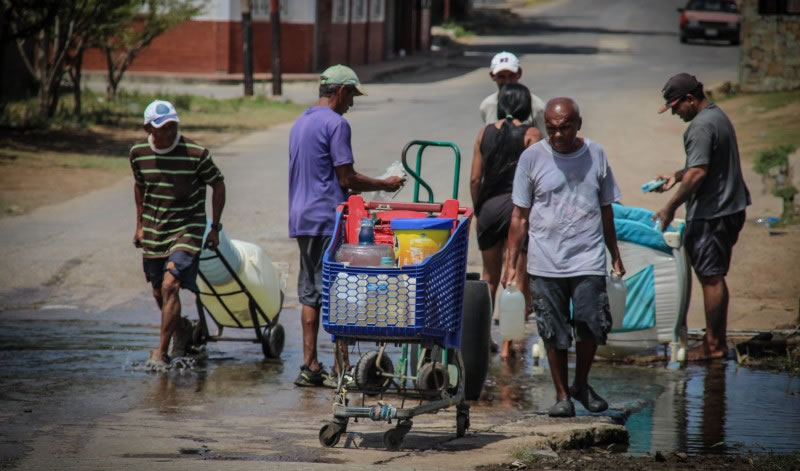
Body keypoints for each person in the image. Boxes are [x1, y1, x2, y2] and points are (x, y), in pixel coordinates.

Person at [502, 97, 625, 417]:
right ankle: (562, 395)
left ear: (578, 124)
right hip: (544, 261)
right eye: (552, 129)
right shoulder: (531, 158)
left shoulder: (596, 154)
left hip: (587, 258)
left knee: (591, 325)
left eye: (565, 128)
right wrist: (511, 263)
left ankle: (581, 384)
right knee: (552, 329)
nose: (557, 135)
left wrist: (615, 254)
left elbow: (606, 208)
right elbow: (520, 216)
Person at [288, 64, 405, 387]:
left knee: (310, 292)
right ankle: (344, 369)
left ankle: (310, 365)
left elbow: (321, 174)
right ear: (341, 91)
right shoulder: (337, 124)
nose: (351, 103)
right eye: (351, 95)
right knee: (340, 292)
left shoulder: (301, 121)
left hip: (301, 217)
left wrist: (348, 188)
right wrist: (386, 182)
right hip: (327, 217)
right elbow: (346, 176)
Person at [652, 73, 750, 361]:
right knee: (715, 276)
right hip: (730, 208)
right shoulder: (716, 116)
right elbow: (703, 164)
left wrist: (670, 206)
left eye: (675, 106)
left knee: (711, 279)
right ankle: (715, 340)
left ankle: (714, 346)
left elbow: (698, 172)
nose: (674, 113)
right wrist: (676, 175)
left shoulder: (700, 126)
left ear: (690, 99)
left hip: (712, 214)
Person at [131, 100, 226, 370]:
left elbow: (218, 184)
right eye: (164, 127)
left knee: (171, 284)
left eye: (174, 125)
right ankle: (183, 328)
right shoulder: (138, 153)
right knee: (159, 292)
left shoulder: (196, 153)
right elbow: (139, 187)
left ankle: (160, 352)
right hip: (155, 230)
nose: (170, 131)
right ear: (148, 127)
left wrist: (215, 228)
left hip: (188, 229)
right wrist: (139, 225)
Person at [470, 83, 542, 360]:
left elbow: (475, 179)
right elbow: (536, 179)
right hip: (518, 212)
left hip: (489, 208)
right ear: (526, 105)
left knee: (489, 278)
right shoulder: (532, 134)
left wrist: (480, 208)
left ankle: (482, 336)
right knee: (518, 279)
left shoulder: (484, 132)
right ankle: (508, 345)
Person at [479, 51, 547, 138]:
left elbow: (545, 141)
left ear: (519, 73)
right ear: (492, 76)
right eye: (501, 76)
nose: (507, 81)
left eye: (511, 75)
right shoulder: (487, 105)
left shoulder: (537, 106)